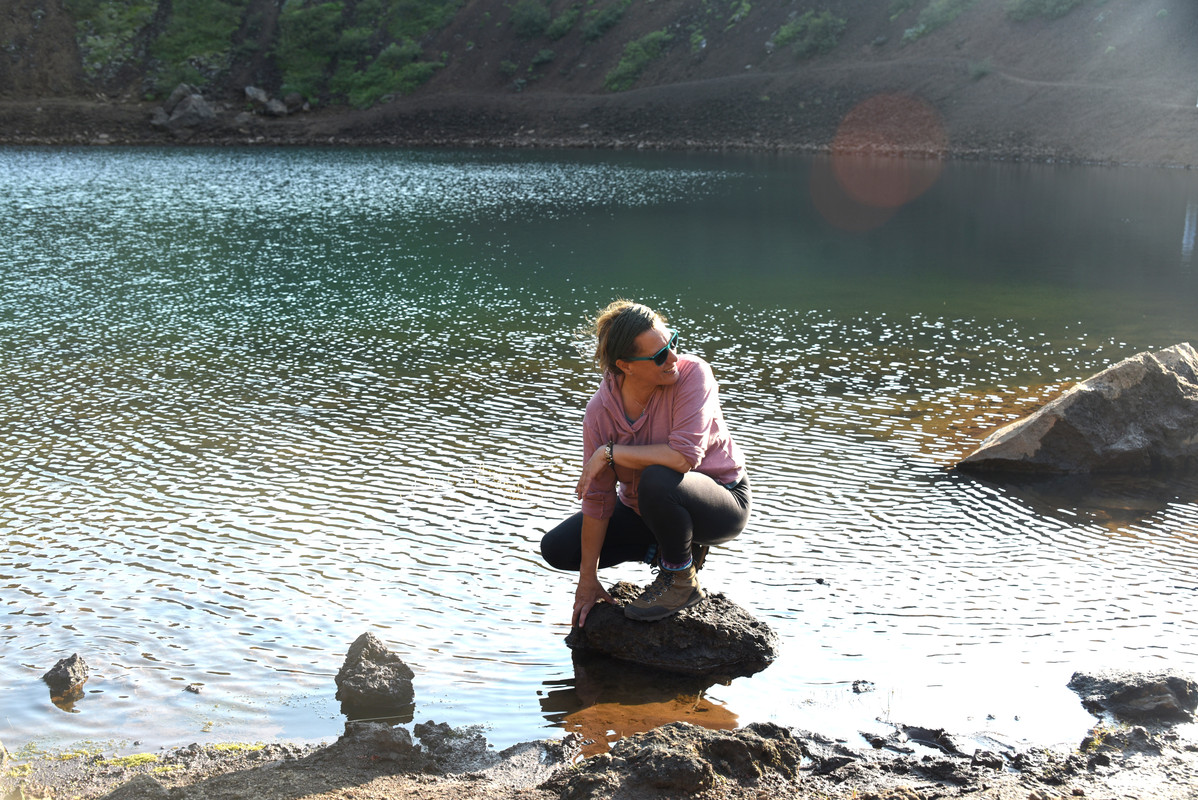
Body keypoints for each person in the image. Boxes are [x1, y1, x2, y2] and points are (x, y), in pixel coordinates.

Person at [540, 300, 751, 627]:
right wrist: (587, 580)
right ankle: (670, 549)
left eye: (673, 342)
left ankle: (680, 579)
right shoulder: (599, 413)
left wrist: (610, 453)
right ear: (625, 365)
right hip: (647, 508)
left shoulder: (693, 375)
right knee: (558, 548)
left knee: (657, 478)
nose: (674, 357)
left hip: (720, 502)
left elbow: (683, 458)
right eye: (660, 355)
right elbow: (598, 499)